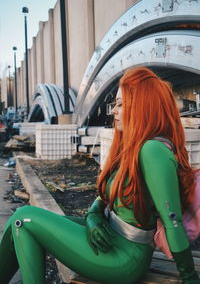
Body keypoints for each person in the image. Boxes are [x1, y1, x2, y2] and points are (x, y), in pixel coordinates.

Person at [0, 66, 199, 284]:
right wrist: (93, 217)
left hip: (124, 257)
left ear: (143, 106)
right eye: (115, 104)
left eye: (121, 104)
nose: (114, 110)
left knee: (24, 219)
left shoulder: (152, 150)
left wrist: (189, 278)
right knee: (18, 224)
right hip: (110, 238)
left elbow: (173, 220)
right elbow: (105, 196)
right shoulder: (130, 147)